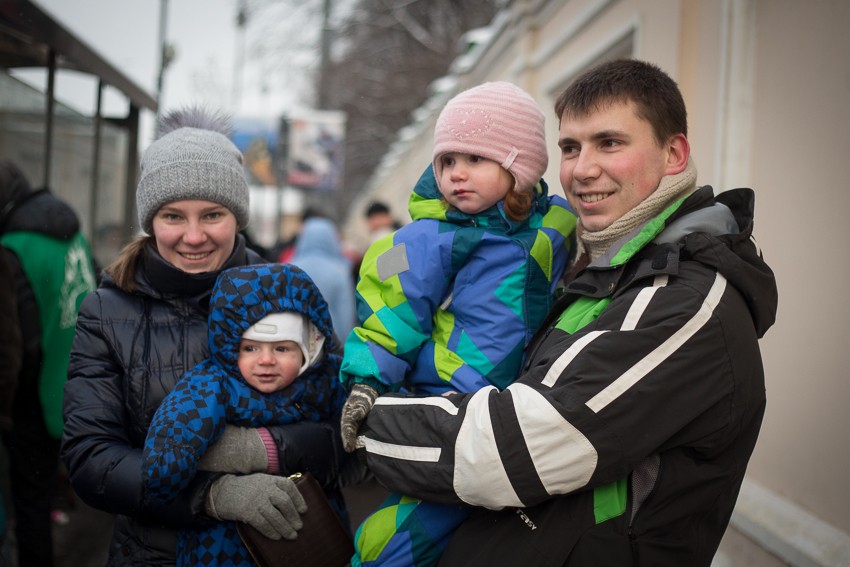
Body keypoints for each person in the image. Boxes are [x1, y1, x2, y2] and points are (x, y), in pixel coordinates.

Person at [348, 59, 779, 566]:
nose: (581, 169)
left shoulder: (682, 298)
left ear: (674, 154)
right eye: (570, 148)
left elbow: (513, 449)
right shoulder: (597, 268)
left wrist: (362, 427)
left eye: (609, 143)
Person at [60, 106, 348, 566]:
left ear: (237, 216)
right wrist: (212, 495)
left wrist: (264, 450)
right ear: (150, 221)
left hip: (277, 552)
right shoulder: (106, 311)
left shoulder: (288, 294)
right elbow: (91, 458)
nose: (193, 237)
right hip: (155, 554)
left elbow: (346, 437)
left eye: (212, 214)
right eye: (173, 216)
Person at [339, 81, 576, 566]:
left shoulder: (559, 223)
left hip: (517, 407)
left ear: (519, 168)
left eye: (474, 160)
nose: (456, 175)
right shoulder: (426, 240)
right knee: (402, 535)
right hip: (446, 401)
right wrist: (366, 381)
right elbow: (388, 312)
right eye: (447, 162)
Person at [142, 262, 348, 565]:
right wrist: (173, 460)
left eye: (281, 349)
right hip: (222, 544)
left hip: (313, 531)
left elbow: (361, 441)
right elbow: (172, 443)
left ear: (310, 349)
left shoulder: (327, 381)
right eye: (250, 348)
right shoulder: (213, 386)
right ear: (229, 347)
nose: (265, 361)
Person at [0, 159, 97, 567]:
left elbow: (16, 339)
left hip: (34, 398)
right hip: (72, 380)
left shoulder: (14, 246)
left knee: (29, 505)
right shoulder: (67, 227)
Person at [289, 216, 357, 341]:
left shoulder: (290, 267)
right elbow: (345, 314)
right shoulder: (340, 270)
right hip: (330, 337)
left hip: (295, 337)